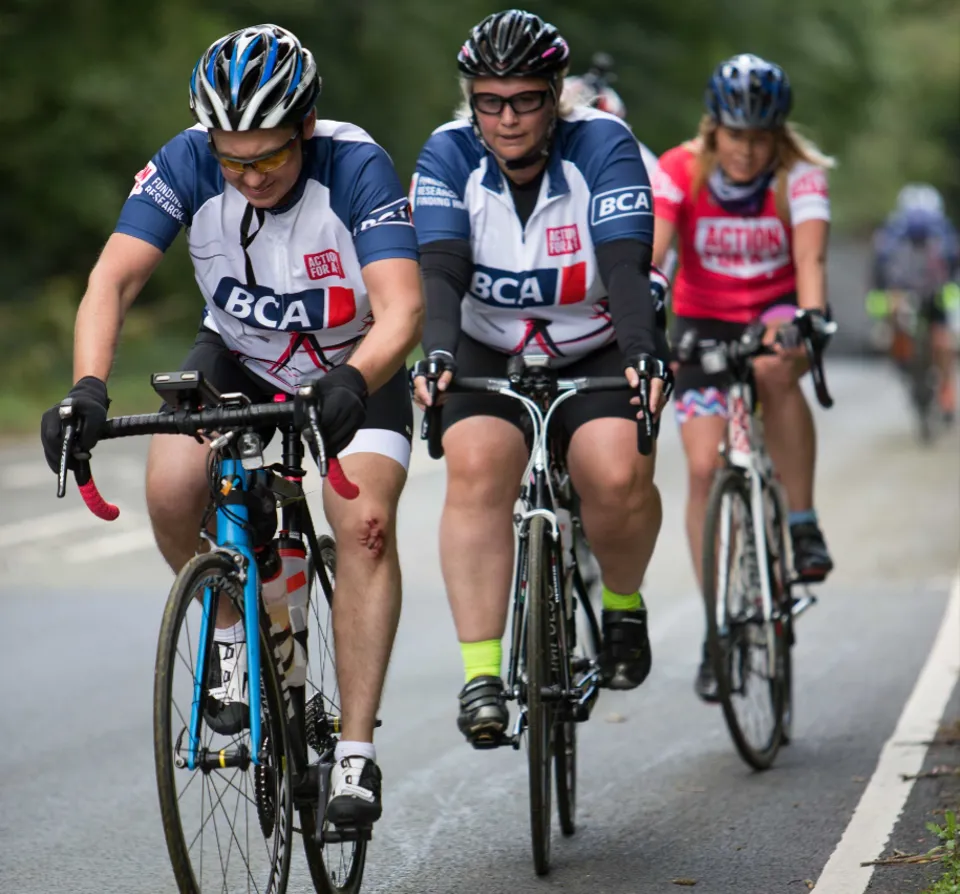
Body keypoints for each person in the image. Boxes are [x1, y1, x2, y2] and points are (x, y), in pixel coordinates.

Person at [39, 24, 423, 828]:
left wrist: (353, 378)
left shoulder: (356, 165)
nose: (248, 174)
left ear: (305, 128)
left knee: (366, 526)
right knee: (174, 487)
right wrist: (86, 388)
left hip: (355, 363)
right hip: (240, 354)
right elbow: (113, 278)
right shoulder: (186, 160)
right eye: (232, 157)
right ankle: (230, 628)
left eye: (269, 157)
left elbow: (404, 308)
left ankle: (353, 754)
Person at [409, 9, 671, 747]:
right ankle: (483, 673)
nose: (508, 118)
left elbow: (625, 264)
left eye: (525, 99)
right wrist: (434, 351)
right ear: (472, 100)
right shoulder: (447, 153)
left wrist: (643, 351)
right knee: (477, 466)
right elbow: (440, 270)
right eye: (489, 101)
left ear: (555, 94)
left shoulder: (603, 144)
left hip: (594, 340)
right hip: (485, 341)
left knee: (616, 475)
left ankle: (622, 603)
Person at [651, 53, 835, 701]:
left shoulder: (800, 177)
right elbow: (660, 251)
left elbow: (809, 255)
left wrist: (808, 318)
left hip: (775, 315)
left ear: (777, 136)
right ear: (713, 129)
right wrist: (645, 308)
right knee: (704, 468)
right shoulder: (680, 169)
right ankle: (718, 622)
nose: (746, 152)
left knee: (775, 367)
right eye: (735, 136)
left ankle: (803, 519)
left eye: (760, 138)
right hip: (702, 323)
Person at [870, 183, 959, 416]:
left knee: (942, 339)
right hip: (904, 293)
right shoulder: (890, 238)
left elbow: (954, 272)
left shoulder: (945, 238)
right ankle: (902, 361)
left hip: (937, 293)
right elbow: (880, 275)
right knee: (895, 320)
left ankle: (946, 389)